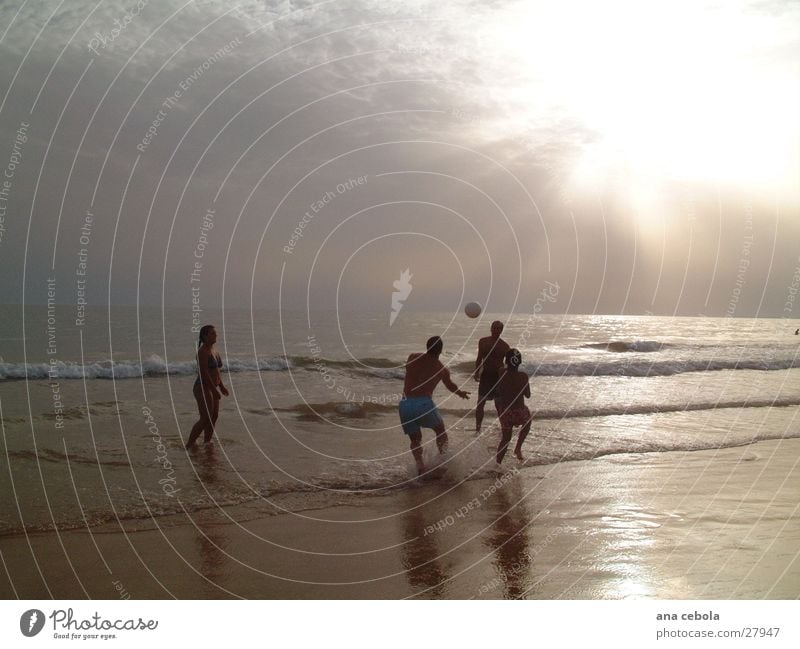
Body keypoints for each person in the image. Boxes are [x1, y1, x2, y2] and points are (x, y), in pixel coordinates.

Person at [399, 336, 470, 475]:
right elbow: (450, 385)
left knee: (415, 439)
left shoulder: (412, 357)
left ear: (427, 346)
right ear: (441, 350)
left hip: (405, 404)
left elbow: (410, 369)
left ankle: (420, 465)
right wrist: (460, 393)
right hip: (423, 403)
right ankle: (443, 461)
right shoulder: (441, 369)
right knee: (440, 431)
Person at [186, 325, 229, 449]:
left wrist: (221, 386)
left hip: (213, 387)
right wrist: (214, 390)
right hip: (203, 387)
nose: (216, 335)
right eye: (212, 333)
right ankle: (189, 445)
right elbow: (203, 373)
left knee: (214, 416)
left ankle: (207, 442)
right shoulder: (202, 352)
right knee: (205, 418)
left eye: (215, 333)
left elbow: (216, 371)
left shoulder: (215, 351)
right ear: (205, 336)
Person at [494, 348, 532, 465]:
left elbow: (499, 390)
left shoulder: (501, 372)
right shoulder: (523, 376)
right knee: (528, 421)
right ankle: (518, 448)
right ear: (519, 362)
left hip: (505, 412)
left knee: (505, 439)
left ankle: (497, 463)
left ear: (506, 361)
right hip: (519, 411)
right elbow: (528, 395)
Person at [473, 320, 510, 432]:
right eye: (494, 327)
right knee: (480, 403)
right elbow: (479, 358)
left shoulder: (504, 346)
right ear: (491, 328)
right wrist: (476, 372)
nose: (496, 330)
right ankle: (477, 428)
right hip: (486, 376)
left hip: (498, 377)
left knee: (499, 405)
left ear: (502, 330)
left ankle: (504, 427)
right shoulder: (483, 341)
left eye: (499, 328)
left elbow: (508, 365)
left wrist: (507, 379)